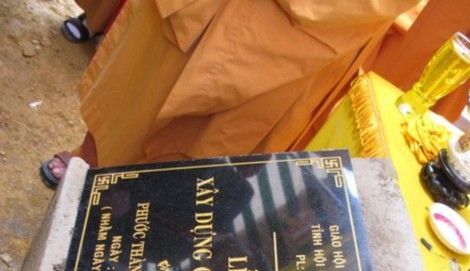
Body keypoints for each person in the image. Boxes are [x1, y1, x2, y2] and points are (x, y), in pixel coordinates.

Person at [40, 0, 419, 188]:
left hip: (312, 26)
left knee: (212, 138)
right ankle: (90, 157)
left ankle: (130, 209)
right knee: (142, 79)